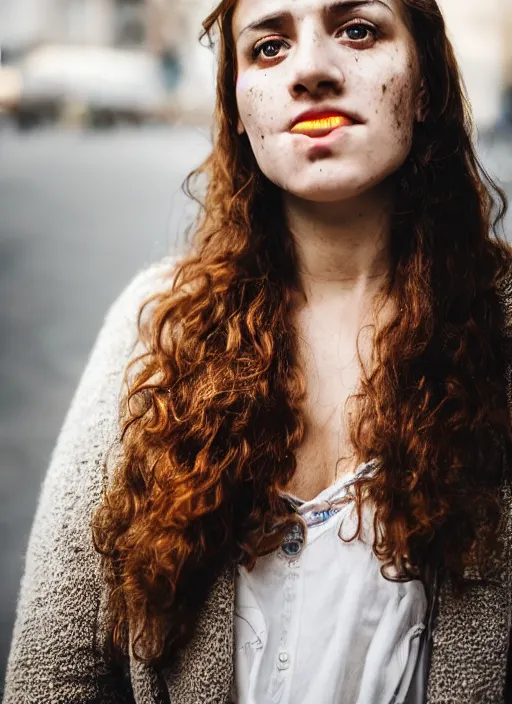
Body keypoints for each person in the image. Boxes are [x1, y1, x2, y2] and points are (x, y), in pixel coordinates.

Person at [4, 0, 512, 702]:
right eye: (269, 47)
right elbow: (53, 674)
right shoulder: (156, 331)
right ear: (239, 110)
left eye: (357, 30)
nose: (310, 71)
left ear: (425, 83)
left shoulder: (502, 327)